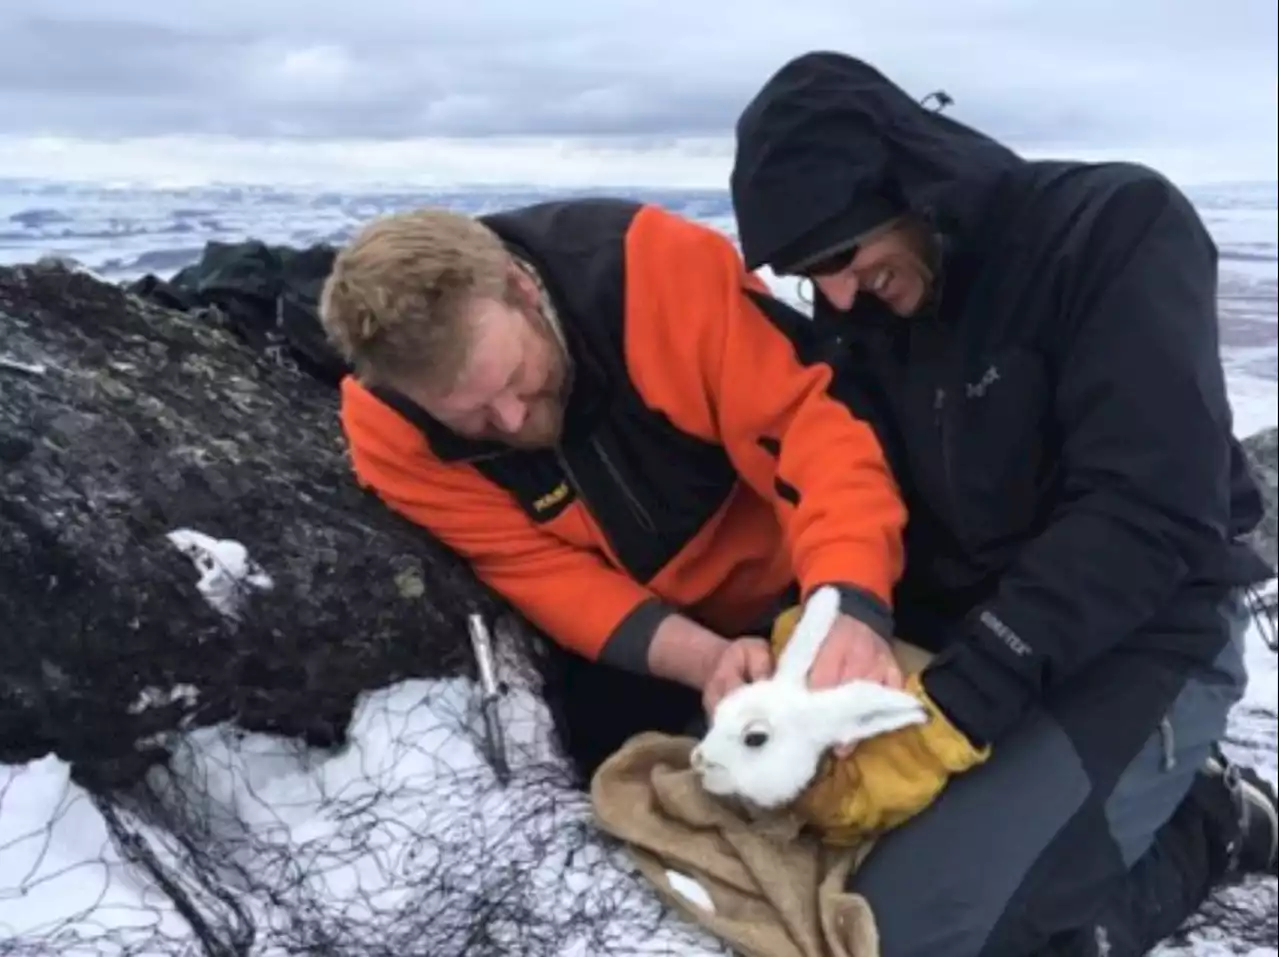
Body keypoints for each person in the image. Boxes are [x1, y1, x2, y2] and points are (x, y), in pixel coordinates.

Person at [728, 49, 1279, 957]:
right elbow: (854, 489)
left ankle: (1211, 821)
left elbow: (1152, 512)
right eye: (802, 270)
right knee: (807, 861)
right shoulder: (862, 320)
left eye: (839, 251)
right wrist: (826, 626)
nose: (833, 290)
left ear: (909, 181)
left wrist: (959, 703)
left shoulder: (1112, 230)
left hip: (1147, 632)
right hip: (975, 637)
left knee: (914, 937)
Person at [315, 197, 915, 763]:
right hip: (651, 643)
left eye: (515, 376)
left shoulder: (657, 272)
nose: (514, 419)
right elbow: (541, 573)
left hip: (808, 571)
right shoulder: (392, 435)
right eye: (470, 415)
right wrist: (706, 662)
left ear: (522, 289)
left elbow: (814, 440)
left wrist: (848, 607)